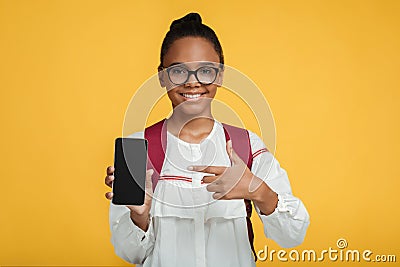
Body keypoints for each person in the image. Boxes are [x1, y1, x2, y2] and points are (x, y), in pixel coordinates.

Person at [104, 13, 310, 267]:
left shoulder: (247, 146)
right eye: (178, 71)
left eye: (206, 70)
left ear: (220, 75)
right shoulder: (138, 149)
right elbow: (129, 253)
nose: (193, 82)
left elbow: (292, 235)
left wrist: (258, 190)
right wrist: (140, 216)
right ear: (161, 77)